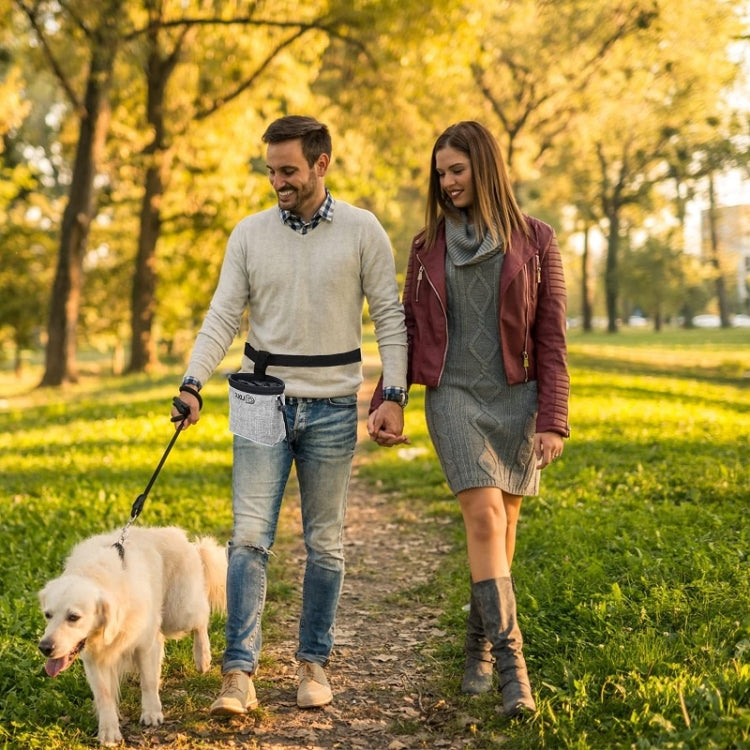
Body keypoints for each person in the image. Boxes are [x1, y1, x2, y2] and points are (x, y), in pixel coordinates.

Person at [172, 115, 408, 714]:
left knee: (325, 544)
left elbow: (389, 316)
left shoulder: (362, 230)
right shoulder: (249, 234)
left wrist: (395, 394)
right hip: (261, 402)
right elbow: (223, 314)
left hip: (332, 404)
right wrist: (193, 381)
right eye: (270, 169)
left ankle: (312, 662)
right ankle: (238, 673)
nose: (276, 180)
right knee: (249, 539)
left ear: (321, 164)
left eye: (288, 170)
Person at [369, 121, 570, 717]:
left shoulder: (537, 240)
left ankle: (477, 650)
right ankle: (516, 672)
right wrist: (391, 395)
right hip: (453, 395)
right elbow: (405, 328)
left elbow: (551, 336)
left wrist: (552, 417)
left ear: (485, 167)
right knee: (484, 517)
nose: (448, 182)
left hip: (516, 398)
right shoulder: (425, 245)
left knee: (503, 529)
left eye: (456, 170)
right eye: (441, 174)